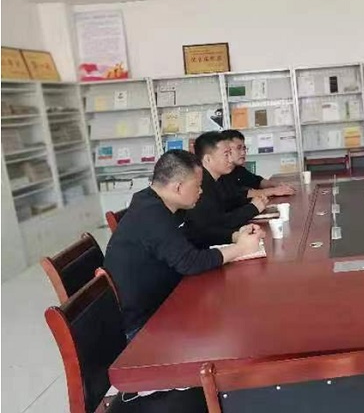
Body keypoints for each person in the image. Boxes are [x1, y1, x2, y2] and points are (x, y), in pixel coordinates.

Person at [104, 150, 265, 340]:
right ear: (178, 187)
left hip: (169, 298)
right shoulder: (151, 214)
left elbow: (196, 233)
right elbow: (189, 262)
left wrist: (235, 236)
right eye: (197, 185)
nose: (201, 191)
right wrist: (241, 249)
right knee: (231, 324)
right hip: (145, 324)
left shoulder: (162, 203)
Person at [185, 131, 268, 248]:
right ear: (208, 159)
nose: (230, 160)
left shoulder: (218, 179)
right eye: (226, 155)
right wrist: (252, 208)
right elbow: (215, 224)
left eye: (230, 154)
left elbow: (231, 202)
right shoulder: (200, 185)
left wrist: (254, 203)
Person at [219, 129, 296, 203]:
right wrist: (273, 191)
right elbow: (239, 194)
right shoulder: (220, 173)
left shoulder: (238, 169)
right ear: (225, 150)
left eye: (244, 148)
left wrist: (277, 185)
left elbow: (257, 181)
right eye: (238, 148)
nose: (243, 152)